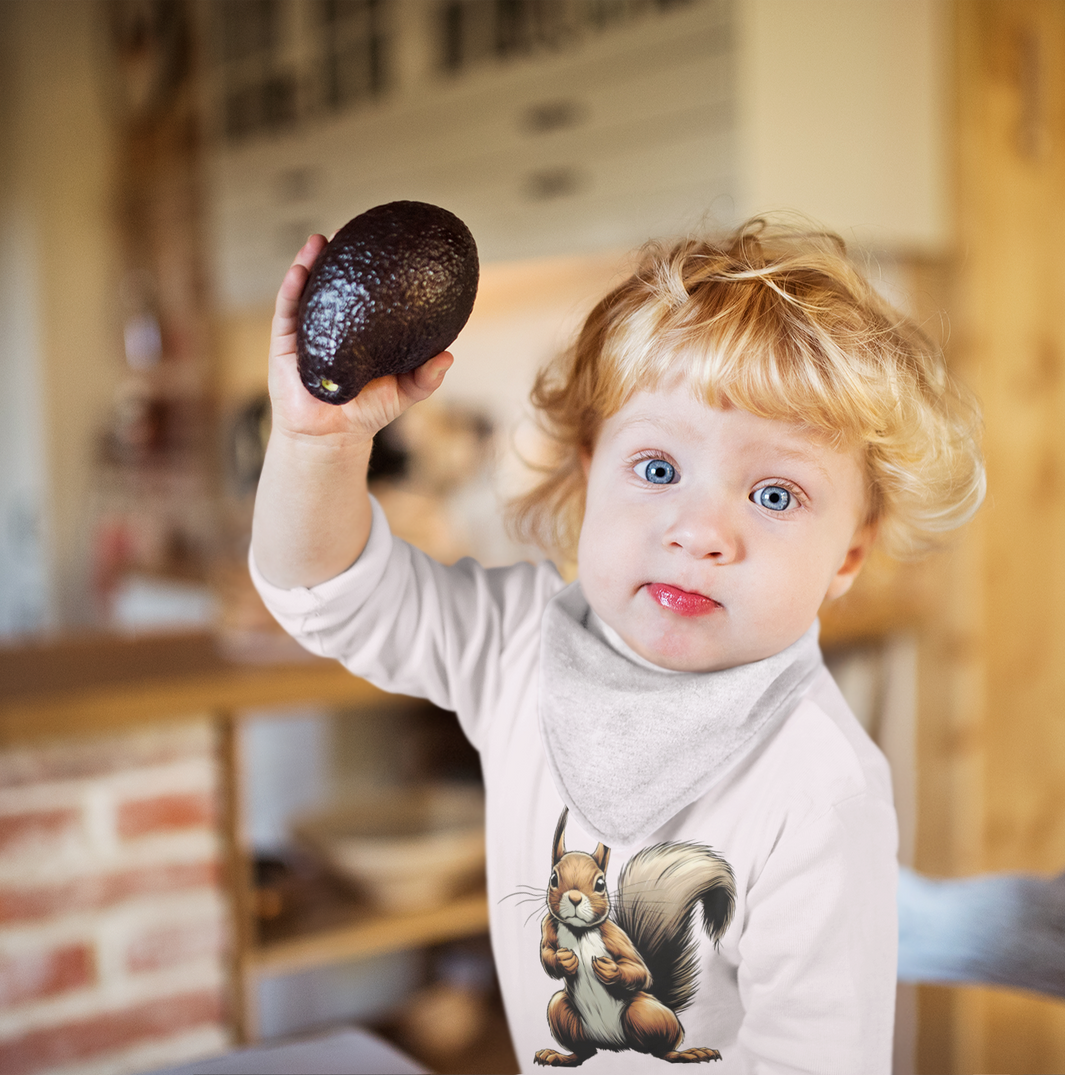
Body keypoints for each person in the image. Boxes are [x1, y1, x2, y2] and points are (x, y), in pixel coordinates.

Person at [250, 218, 985, 1072]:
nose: (700, 531)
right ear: (586, 470)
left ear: (848, 555)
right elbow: (327, 595)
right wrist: (318, 441)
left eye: (776, 494)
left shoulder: (818, 787)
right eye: (660, 469)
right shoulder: (516, 646)